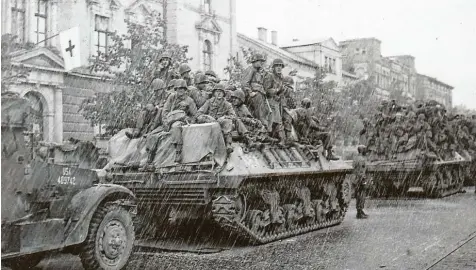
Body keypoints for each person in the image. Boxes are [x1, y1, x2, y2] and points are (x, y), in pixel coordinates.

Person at [162, 79, 198, 162]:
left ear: (185, 90)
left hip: (182, 121)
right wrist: (165, 123)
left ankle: (178, 151)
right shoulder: (171, 98)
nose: (180, 90)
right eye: (178, 88)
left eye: (182, 88)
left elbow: (195, 115)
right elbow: (165, 111)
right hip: (169, 120)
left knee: (176, 126)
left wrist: (188, 119)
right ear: (176, 89)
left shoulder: (189, 100)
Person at [197, 83, 236, 151]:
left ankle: (228, 144)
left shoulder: (227, 104)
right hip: (210, 124)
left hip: (222, 125)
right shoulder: (209, 102)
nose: (219, 94)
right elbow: (199, 113)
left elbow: (233, 116)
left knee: (228, 122)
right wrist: (208, 118)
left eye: (220, 92)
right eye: (217, 92)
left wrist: (224, 117)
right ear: (214, 93)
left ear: (223, 93)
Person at [241, 53, 270, 130]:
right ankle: (262, 126)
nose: (261, 63)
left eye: (262, 61)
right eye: (260, 61)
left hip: (259, 93)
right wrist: (250, 93)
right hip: (254, 95)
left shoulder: (258, 71)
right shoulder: (250, 69)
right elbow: (244, 83)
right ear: (255, 61)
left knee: (264, 111)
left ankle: (262, 127)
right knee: (260, 113)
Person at [263, 58, 287, 145]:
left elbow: (282, 90)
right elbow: (266, 90)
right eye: (277, 66)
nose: (279, 68)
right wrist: (276, 90)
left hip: (277, 101)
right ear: (273, 67)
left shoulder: (281, 78)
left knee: (279, 119)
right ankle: (279, 138)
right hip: (268, 101)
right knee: (273, 120)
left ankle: (280, 138)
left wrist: (279, 94)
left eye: (280, 66)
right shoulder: (270, 76)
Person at [353, 145, 369, 219]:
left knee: (358, 195)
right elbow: (362, 171)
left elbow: (354, 168)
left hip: (356, 179)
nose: (366, 151)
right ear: (362, 150)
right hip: (361, 179)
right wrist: (363, 179)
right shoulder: (362, 159)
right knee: (362, 195)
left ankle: (359, 211)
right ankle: (360, 212)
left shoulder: (355, 158)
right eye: (364, 149)